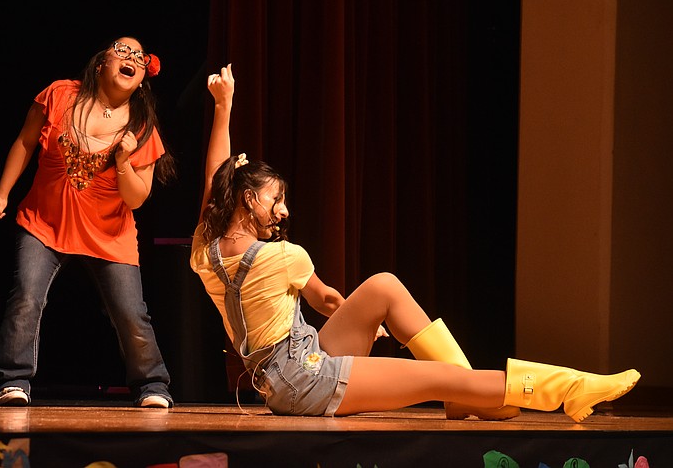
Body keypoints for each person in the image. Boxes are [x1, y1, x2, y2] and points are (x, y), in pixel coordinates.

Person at [189, 63, 640, 420]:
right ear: (248, 199)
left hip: (284, 378)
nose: (284, 211)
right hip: (309, 380)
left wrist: (223, 107)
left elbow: (216, 179)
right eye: (277, 199)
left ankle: (467, 393)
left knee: (384, 285)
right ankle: (569, 389)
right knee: (437, 378)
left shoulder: (204, 252)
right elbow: (325, 297)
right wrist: (348, 314)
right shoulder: (285, 256)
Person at [0, 36, 175, 408]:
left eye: (138, 56)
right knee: (26, 296)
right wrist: (3, 192)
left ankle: (153, 386)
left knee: (131, 313)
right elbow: (25, 142)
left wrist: (122, 161)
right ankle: (14, 379)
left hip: (108, 233)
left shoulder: (142, 127)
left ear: (141, 81)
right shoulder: (59, 95)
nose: (130, 57)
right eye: (122, 50)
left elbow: (136, 197)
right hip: (45, 222)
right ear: (101, 63)